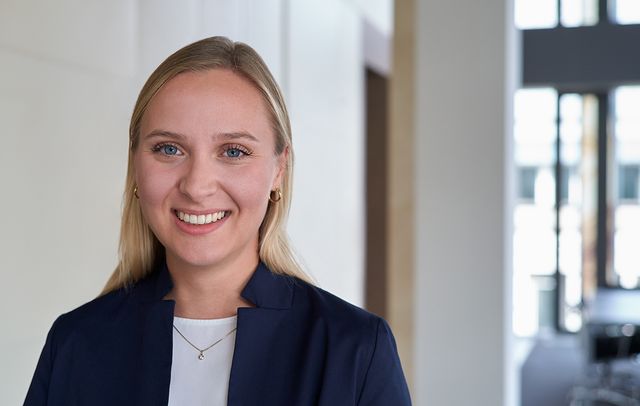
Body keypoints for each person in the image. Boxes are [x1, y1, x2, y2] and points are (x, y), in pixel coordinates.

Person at [24, 36, 411, 406]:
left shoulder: (355, 350)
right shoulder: (75, 343)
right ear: (136, 165)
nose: (197, 186)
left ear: (279, 169)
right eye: (169, 148)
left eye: (233, 151)